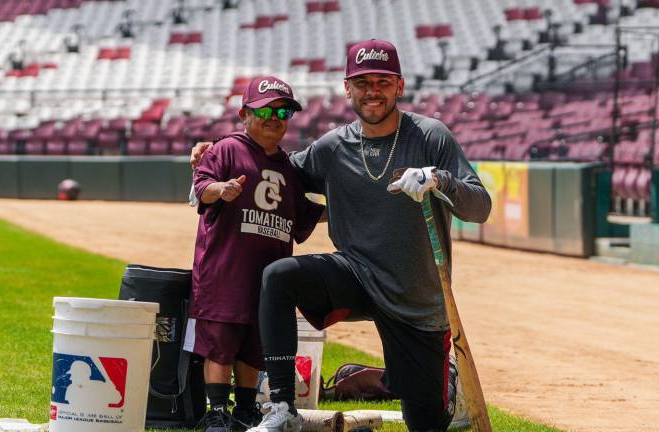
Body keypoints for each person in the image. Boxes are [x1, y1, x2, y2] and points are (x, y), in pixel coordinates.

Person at [192, 39, 491, 432]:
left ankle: (446, 384)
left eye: (382, 82)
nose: (372, 92)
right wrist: (219, 154)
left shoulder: (430, 136)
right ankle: (283, 407)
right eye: (362, 83)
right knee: (279, 276)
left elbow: (480, 207)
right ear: (347, 89)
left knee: (426, 423)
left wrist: (439, 179)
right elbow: (272, 167)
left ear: (400, 86)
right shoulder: (334, 146)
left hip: (415, 300)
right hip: (355, 275)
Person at [190, 76, 325, 432]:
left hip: (267, 278)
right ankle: (218, 411)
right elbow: (201, 187)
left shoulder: (289, 169)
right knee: (221, 345)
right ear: (244, 114)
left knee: (255, 345)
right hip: (224, 273)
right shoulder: (226, 150)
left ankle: (246, 409)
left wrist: (356, 207)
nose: (274, 118)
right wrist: (221, 189)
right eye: (265, 110)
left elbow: (306, 215)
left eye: (282, 112)